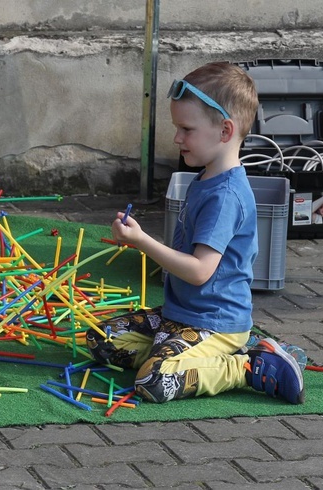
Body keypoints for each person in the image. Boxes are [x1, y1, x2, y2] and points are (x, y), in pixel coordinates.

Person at [86, 62, 306, 404]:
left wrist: (142, 242)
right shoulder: (205, 179)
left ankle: (249, 366)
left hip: (214, 323)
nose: (177, 138)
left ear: (224, 131)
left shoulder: (226, 196)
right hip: (179, 316)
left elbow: (200, 271)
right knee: (101, 338)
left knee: (154, 381)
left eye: (186, 129)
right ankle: (185, 356)